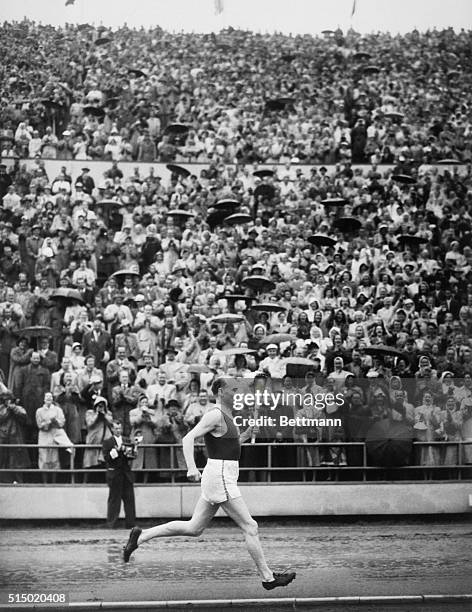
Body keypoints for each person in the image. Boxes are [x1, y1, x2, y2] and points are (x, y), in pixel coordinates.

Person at [122, 378, 296, 591]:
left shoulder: (228, 416)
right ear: (221, 392)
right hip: (219, 475)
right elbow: (188, 439)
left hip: (224, 474)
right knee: (251, 526)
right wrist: (192, 467)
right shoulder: (214, 414)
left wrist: (246, 435)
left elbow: (228, 447)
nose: (238, 394)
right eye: (234, 390)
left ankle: (141, 537)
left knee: (194, 528)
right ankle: (268, 578)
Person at [102, 420, 138, 529]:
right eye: (116, 428)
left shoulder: (126, 440)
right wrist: (116, 451)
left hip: (126, 473)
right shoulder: (107, 442)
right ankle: (112, 523)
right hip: (114, 474)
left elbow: (131, 457)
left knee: (129, 499)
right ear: (112, 429)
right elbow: (106, 458)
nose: (118, 430)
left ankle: (130, 523)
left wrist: (134, 449)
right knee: (114, 499)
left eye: (119, 428)